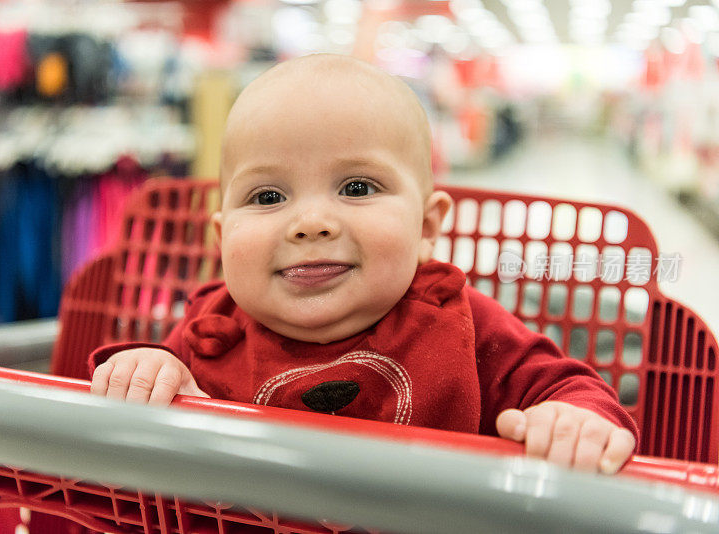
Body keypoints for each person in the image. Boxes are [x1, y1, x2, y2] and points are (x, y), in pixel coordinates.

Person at [89, 54, 637, 474]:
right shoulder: (211, 329)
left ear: (426, 227)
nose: (309, 222)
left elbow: (567, 389)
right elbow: (145, 387)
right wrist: (150, 368)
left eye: (356, 187)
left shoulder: (460, 324)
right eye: (267, 197)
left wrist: (573, 421)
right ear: (220, 236)